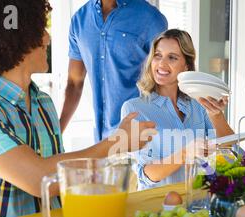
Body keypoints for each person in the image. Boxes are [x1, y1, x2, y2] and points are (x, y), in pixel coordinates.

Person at [0, 0, 155, 217]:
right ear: (16, 37)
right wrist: (116, 143)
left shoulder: (43, 103)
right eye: (40, 29)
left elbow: (58, 184)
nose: (47, 39)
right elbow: (40, 178)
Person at [121, 29, 235, 190]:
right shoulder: (134, 109)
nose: (161, 64)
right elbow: (146, 174)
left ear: (186, 66)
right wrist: (184, 153)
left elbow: (228, 147)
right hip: (157, 206)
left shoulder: (197, 104)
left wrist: (216, 116)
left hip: (197, 203)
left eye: (172, 57)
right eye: (157, 55)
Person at [59, 0, 168, 142]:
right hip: (101, 142)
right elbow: (74, 82)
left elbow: (166, 82)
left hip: (139, 137)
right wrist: (56, 134)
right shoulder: (80, 20)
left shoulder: (151, 18)